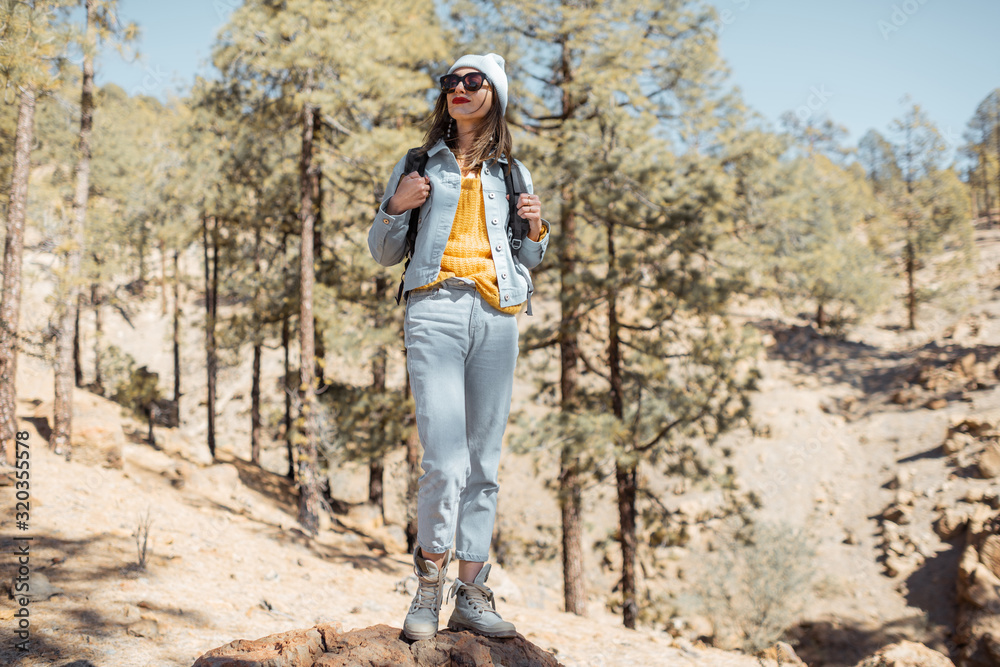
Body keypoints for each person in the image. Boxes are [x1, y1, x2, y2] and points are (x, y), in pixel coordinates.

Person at [368, 52, 549, 640]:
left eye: (473, 83)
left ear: (493, 95)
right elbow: (382, 250)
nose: (460, 90)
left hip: (499, 316)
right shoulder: (418, 164)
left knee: (484, 465)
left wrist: (537, 229)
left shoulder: (514, 174)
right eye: (452, 82)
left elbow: (529, 258)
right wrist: (398, 206)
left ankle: (472, 595)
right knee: (444, 462)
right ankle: (428, 586)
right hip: (435, 309)